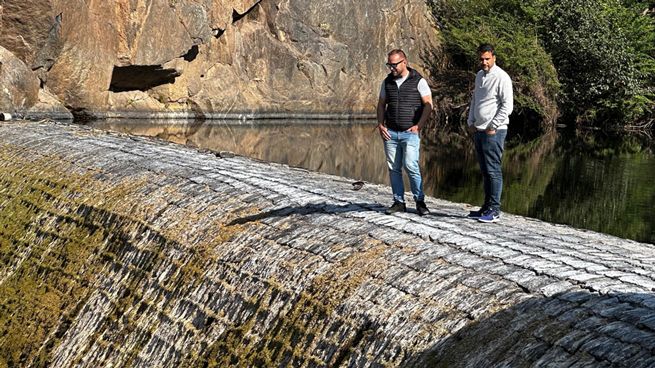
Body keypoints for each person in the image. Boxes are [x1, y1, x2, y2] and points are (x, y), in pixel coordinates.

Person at [377, 49, 432, 216]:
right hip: (391, 133)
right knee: (394, 168)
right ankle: (398, 201)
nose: (392, 68)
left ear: (404, 62)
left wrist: (418, 126)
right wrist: (381, 125)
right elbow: (381, 105)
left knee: (411, 165)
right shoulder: (387, 82)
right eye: (389, 65)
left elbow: (429, 105)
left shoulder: (418, 81)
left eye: (394, 64)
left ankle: (420, 201)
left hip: (410, 133)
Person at [467, 43, 513, 223]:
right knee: (485, 170)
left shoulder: (502, 77)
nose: (484, 62)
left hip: (494, 131)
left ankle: (494, 209)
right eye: (481, 59)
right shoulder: (479, 76)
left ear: (494, 58)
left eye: (487, 59)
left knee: (493, 169)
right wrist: (471, 121)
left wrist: (493, 125)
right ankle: (486, 207)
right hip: (479, 129)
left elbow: (507, 106)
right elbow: (475, 100)